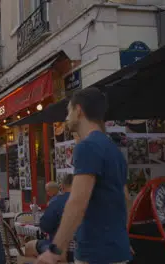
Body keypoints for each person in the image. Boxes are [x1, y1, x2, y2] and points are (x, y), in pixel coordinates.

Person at [37, 87, 132, 264]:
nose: (66, 118)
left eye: (69, 111)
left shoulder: (87, 146)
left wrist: (56, 249)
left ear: (79, 110)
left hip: (95, 253)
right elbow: (126, 198)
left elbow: (77, 202)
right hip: (118, 250)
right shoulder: (113, 150)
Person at [25, 174, 74, 262]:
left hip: (64, 250)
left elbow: (45, 227)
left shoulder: (57, 201)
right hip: (87, 250)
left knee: (29, 246)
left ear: (62, 186)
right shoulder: (91, 201)